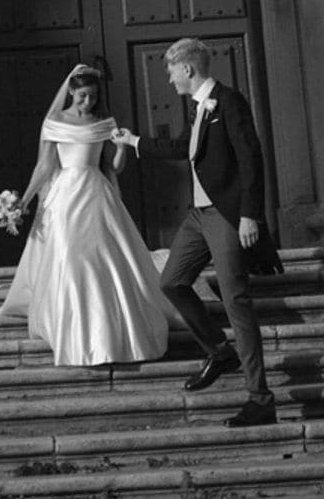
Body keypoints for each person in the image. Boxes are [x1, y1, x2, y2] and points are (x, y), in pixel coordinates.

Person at [113, 37, 276, 428]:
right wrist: (134, 141)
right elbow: (184, 147)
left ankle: (260, 399)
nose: (169, 80)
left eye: (171, 71)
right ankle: (220, 351)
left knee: (236, 301)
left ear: (186, 69)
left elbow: (251, 160)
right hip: (197, 218)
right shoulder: (199, 110)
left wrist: (250, 215)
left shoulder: (229, 102)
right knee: (171, 281)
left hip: (224, 216)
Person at [0, 64, 170, 367]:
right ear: (71, 92)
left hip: (96, 195)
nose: (87, 102)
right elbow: (45, 166)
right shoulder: (54, 122)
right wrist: (23, 201)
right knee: (69, 258)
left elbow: (113, 168)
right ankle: (74, 335)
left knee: (102, 259)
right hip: (64, 198)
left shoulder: (104, 123)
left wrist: (122, 149)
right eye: (82, 96)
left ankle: (109, 336)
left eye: (92, 97)